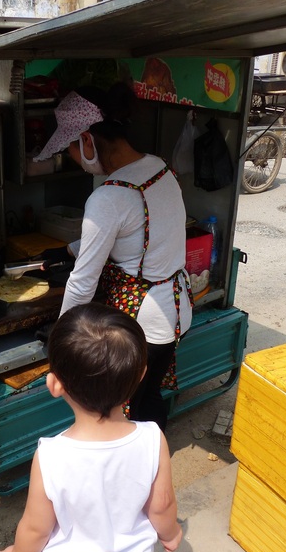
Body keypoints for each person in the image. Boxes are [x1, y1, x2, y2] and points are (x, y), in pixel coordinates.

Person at [0, 303, 183, 552]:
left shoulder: (51, 456)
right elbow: (162, 505)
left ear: (54, 385)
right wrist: (171, 534)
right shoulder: (153, 439)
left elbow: (35, 528)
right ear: (141, 374)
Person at [34, 83, 193, 432]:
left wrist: (61, 347)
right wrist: (69, 249)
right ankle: (153, 462)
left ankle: (135, 474)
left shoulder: (109, 197)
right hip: (175, 311)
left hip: (141, 324)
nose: (74, 160)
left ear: (88, 140)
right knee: (149, 398)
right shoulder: (159, 168)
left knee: (121, 415)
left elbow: (81, 284)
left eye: (71, 150)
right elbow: (134, 235)